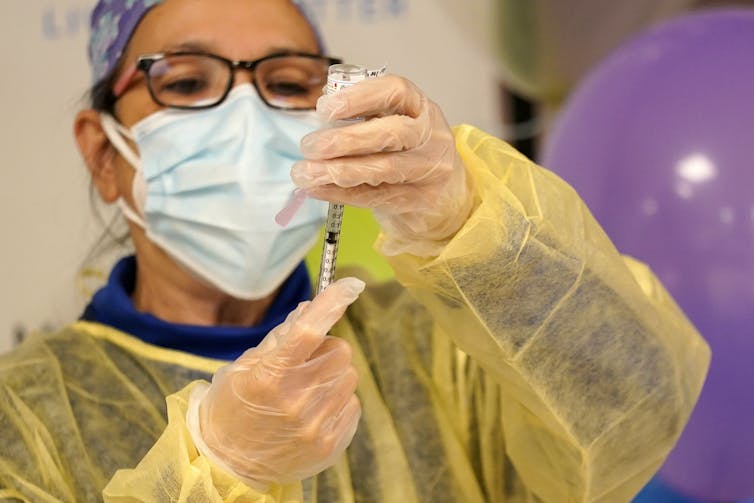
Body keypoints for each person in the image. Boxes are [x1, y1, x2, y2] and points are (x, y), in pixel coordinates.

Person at [0, 0, 710, 501]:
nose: (248, 118)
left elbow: (640, 407)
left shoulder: (437, 350)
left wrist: (473, 224)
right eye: (186, 84)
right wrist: (221, 466)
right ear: (102, 152)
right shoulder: (25, 417)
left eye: (287, 84)